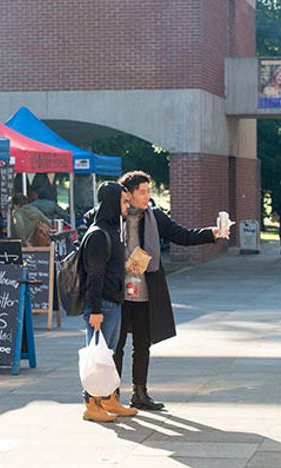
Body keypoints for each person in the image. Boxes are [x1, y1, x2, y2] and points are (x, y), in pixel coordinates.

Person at [114, 171, 221, 411]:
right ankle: (112, 394)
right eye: (142, 191)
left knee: (142, 343)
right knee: (116, 345)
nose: (146, 196)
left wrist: (210, 233)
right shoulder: (113, 217)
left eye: (148, 191)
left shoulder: (155, 217)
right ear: (127, 194)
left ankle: (140, 393)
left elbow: (181, 235)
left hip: (145, 290)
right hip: (118, 293)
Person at [80, 182, 135, 422]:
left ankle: (110, 399)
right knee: (98, 356)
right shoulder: (99, 234)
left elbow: (107, 268)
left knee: (108, 355)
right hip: (102, 305)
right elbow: (94, 275)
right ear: (113, 202)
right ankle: (92, 404)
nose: (127, 206)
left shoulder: (111, 230)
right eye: (124, 201)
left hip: (112, 301)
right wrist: (95, 310)